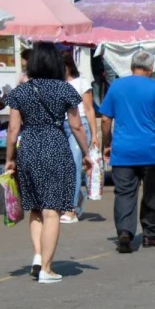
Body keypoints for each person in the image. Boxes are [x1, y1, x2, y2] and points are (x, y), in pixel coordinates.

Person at [4, 42, 92, 284]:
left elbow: (13, 129)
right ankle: (46, 268)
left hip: (29, 146)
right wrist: (86, 152)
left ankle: (37, 256)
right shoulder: (64, 90)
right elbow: (75, 125)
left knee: (35, 207)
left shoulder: (20, 91)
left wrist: (9, 159)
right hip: (55, 145)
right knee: (52, 209)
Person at [99, 51, 155, 254]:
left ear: (132, 66)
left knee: (124, 193)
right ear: (151, 69)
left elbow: (106, 119)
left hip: (123, 151)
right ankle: (150, 235)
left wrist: (106, 144)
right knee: (152, 193)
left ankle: (125, 231)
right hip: (151, 151)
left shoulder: (116, 86)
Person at [60, 52, 98, 224]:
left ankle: (71, 209)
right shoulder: (57, 84)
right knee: (63, 166)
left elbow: (89, 109)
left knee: (74, 165)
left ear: (68, 66)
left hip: (80, 124)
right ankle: (75, 197)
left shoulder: (82, 82)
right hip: (61, 124)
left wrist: (95, 134)